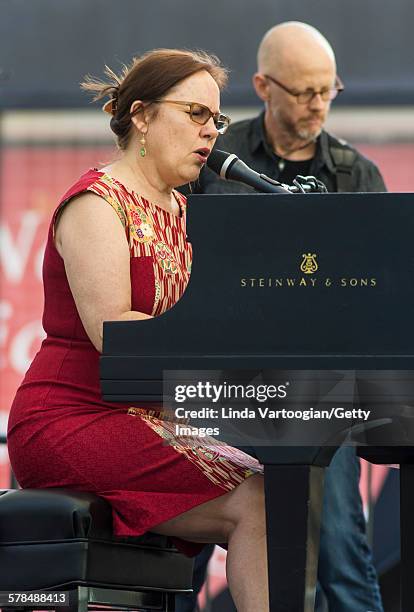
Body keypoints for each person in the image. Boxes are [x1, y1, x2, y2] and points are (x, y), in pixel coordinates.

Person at [7, 49, 273, 611]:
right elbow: (116, 333)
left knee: (278, 489)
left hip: (139, 417)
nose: (211, 132)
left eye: (217, 120)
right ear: (143, 115)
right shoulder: (96, 203)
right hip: (69, 420)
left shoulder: (180, 209)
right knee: (256, 500)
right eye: (196, 113)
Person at [176, 22, 386, 612]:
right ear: (263, 86)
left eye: (329, 90)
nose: (319, 104)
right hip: (221, 388)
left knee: (343, 551)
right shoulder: (213, 164)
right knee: (180, 544)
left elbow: (378, 297)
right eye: (304, 92)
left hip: (322, 395)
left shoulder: (356, 175)